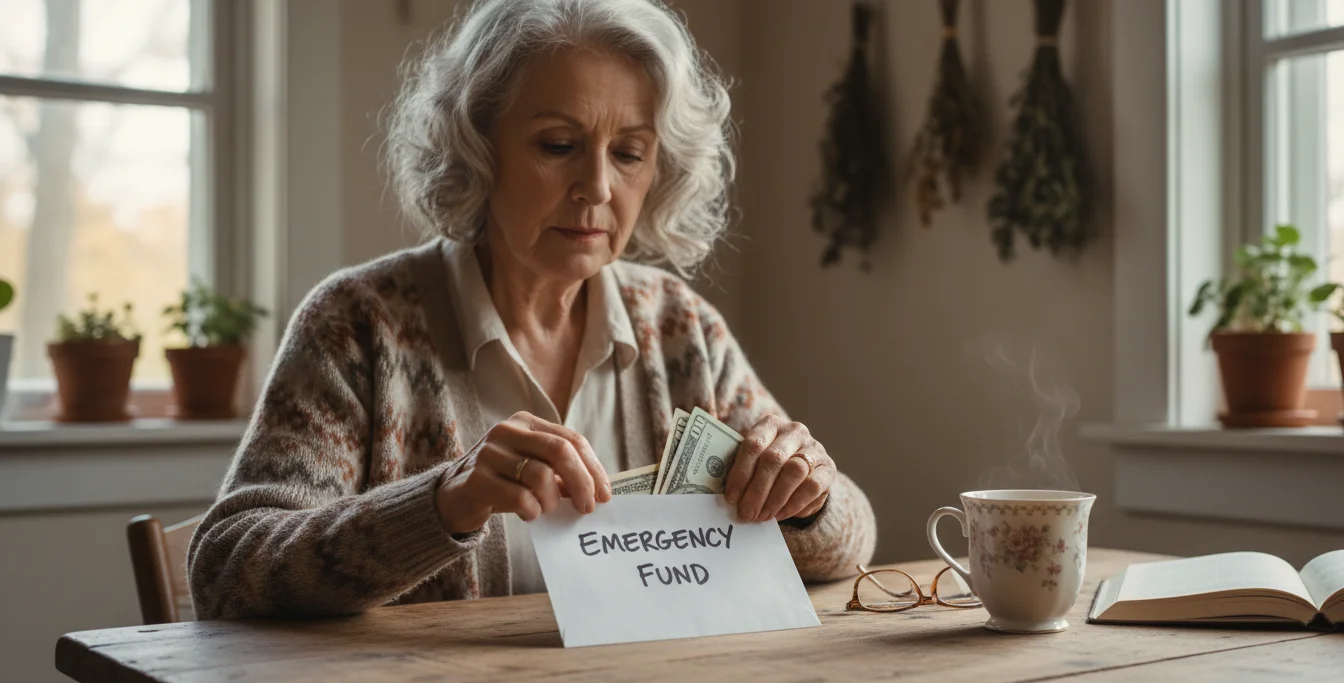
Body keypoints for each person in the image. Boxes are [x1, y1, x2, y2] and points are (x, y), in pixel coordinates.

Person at [188, 0, 876, 620]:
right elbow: (226, 571)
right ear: (478, 148)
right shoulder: (359, 324)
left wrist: (808, 498)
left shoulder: (678, 325)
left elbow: (854, 538)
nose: (598, 187)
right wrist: (444, 503)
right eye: (558, 146)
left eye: (630, 153)